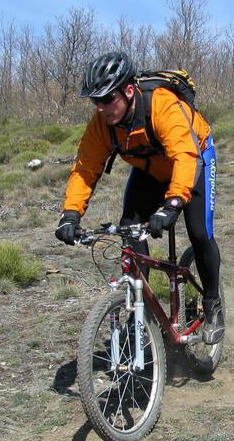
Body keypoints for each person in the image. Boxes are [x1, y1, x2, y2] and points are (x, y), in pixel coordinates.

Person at [54, 51, 224, 344]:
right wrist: (71, 213)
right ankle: (139, 314)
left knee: (199, 232)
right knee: (129, 231)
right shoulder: (102, 124)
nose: (101, 108)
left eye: (107, 98)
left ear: (129, 91)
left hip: (195, 160)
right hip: (150, 171)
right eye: (95, 101)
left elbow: (185, 156)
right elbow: (84, 168)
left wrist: (173, 203)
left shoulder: (161, 104)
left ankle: (212, 303)